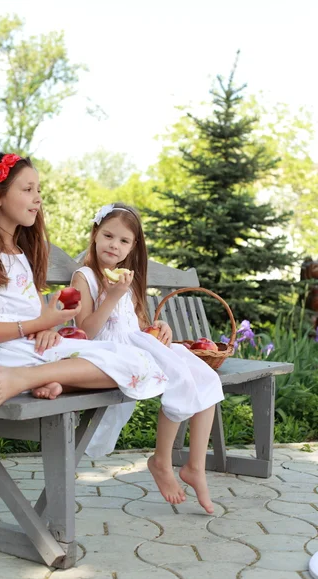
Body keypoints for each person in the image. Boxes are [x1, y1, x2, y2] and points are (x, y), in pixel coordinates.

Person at [0, 153, 173, 432]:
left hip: (26, 351)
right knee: (133, 363)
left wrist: (45, 327)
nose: (37, 198)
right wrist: (38, 324)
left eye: (39, 190)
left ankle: (44, 381)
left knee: (139, 360)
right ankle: (27, 379)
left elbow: (29, 317)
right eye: (28, 189)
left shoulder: (23, 254)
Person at [71, 202, 225, 511]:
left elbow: (140, 325)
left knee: (206, 378)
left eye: (124, 241)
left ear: (132, 247)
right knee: (179, 377)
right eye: (108, 236)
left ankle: (195, 467)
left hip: (138, 346)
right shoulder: (84, 277)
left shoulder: (127, 280)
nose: (114, 245)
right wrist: (111, 296)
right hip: (108, 353)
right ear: (95, 235)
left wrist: (161, 326)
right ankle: (162, 461)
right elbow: (85, 332)